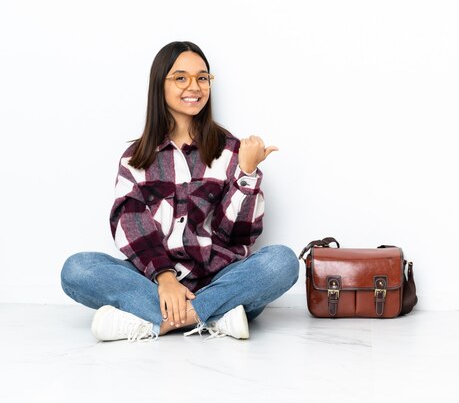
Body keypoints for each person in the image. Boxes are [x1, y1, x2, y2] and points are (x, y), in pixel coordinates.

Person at [60, 41, 299, 342]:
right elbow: (130, 226)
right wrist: (165, 278)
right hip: (155, 282)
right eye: (181, 77)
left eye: (202, 78)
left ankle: (160, 322)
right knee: (77, 269)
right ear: (160, 85)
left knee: (281, 261)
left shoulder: (231, 151)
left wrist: (247, 173)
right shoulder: (136, 159)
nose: (194, 86)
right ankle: (214, 318)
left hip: (219, 280)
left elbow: (238, 236)